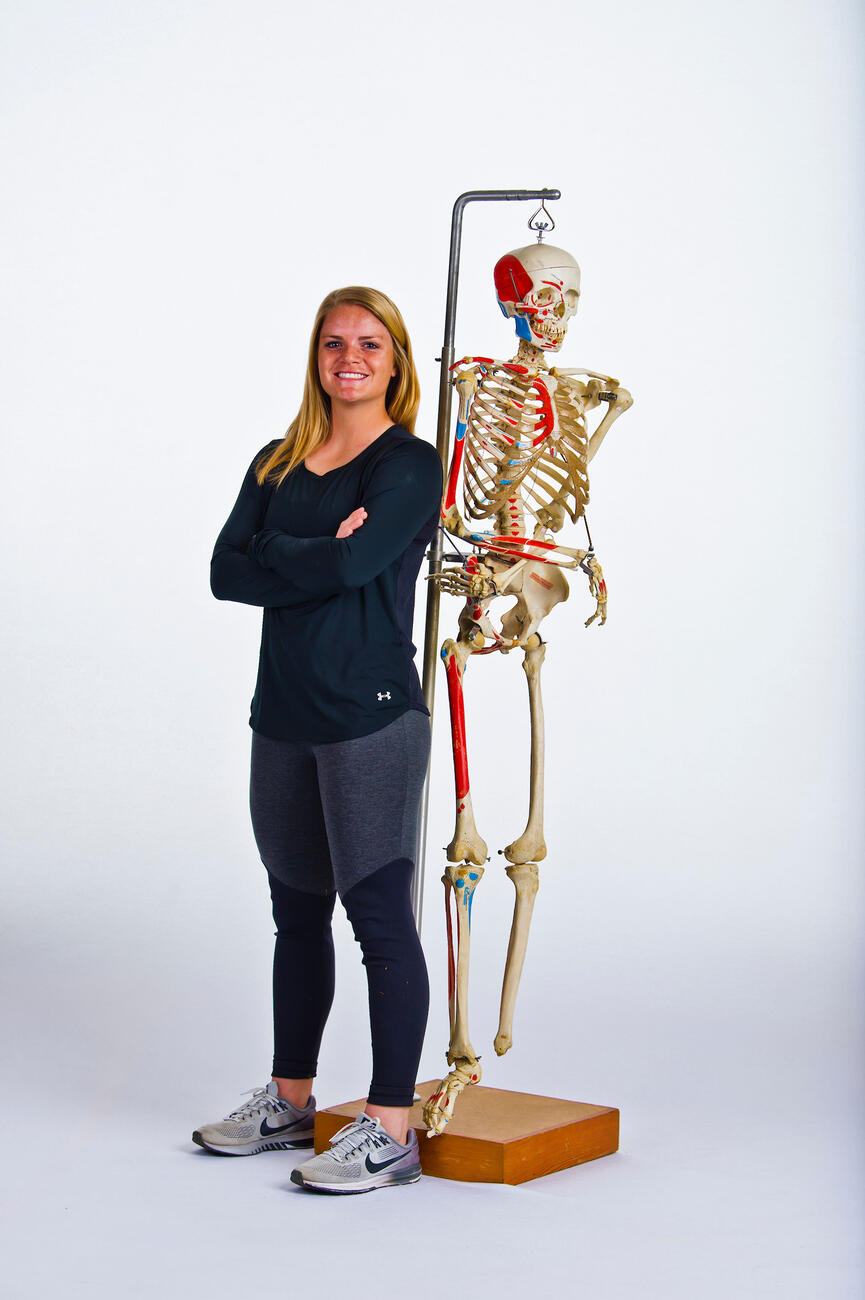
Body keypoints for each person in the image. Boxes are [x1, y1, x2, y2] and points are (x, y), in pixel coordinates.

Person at [193, 286, 443, 1194]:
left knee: (378, 922)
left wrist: (285, 553)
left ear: (395, 361)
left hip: (370, 717)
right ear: (317, 355)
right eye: (335, 342)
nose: (350, 358)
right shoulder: (278, 458)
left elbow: (351, 564)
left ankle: (389, 1126)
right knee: (295, 914)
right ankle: (291, 1101)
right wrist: (314, 550)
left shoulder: (407, 465)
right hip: (284, 716)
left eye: (370, 345)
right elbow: (225, 571)